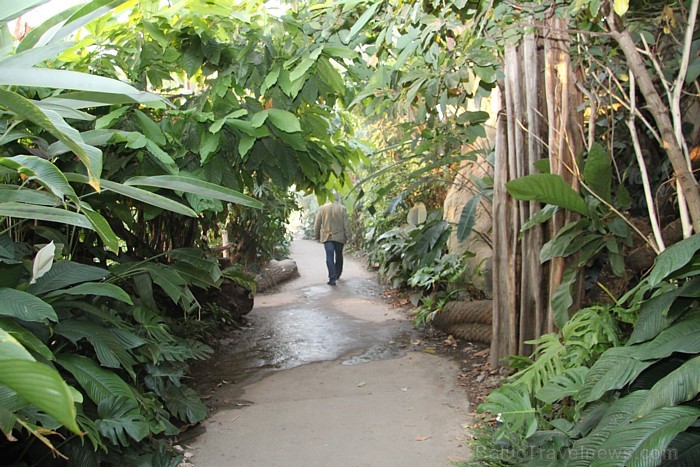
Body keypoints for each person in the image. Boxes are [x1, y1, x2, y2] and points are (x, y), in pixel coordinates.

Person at [313, 194, 351, 286]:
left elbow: (317, 223)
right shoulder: (343, 209)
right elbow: (347, 224)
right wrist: (349, 237)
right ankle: (337, 274)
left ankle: (332, 278)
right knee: (339, 255)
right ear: (338, 199)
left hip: (327, 237)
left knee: (329, 257)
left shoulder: (322, 208)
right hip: (339, 237)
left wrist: (316, 235)